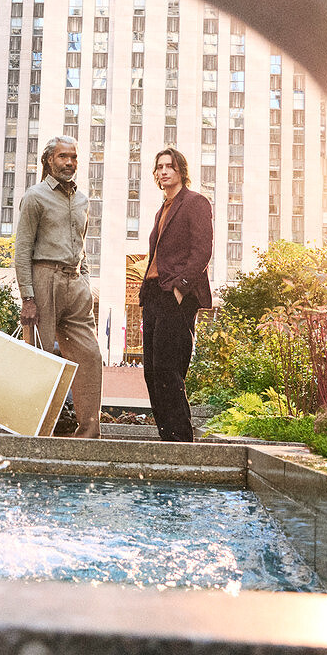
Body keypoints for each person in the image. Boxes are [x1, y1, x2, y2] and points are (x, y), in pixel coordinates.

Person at [13, 136, 103, 438]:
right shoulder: (35, 197)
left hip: (76, 283)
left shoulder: (82, 199)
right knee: (41, 358)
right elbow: (22, 249)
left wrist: (86, 283)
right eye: (63, 157)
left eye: (74, 157)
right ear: (49, 160)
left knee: (90, 355)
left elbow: (83, 245)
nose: (69, 163)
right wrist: (28, 296)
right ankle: (35, 431)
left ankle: (89, 433)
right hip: (44, 279)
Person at [139, 147, 213, 442]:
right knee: (151, 371)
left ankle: (181, 440)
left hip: (175, 293)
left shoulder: (195, 203)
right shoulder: (162, 209)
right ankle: (166, 438)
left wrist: (181, 288)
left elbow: (202, 251)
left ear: (181, 170)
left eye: (170, 166)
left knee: (168, 368)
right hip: (154, 293)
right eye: (159, 167)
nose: (164, 171)